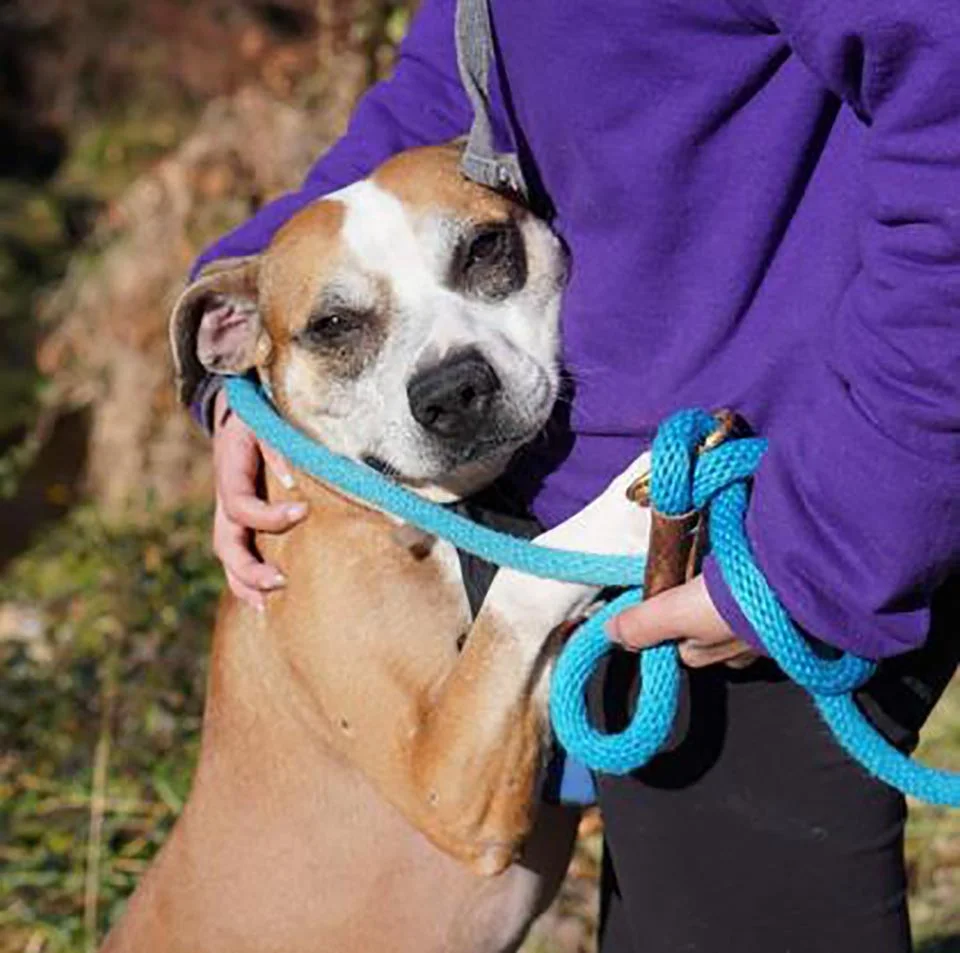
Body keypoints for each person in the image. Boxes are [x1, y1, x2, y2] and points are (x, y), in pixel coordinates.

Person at [190, 1, 960, 950]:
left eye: (482, 254)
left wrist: (839, 530)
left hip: (784, 501)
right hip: (655, 535)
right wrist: (262, 318)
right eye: (342, 331)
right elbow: (471, 71)